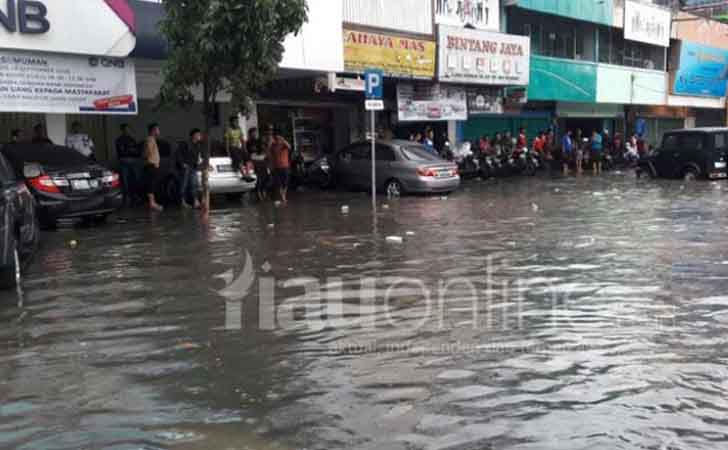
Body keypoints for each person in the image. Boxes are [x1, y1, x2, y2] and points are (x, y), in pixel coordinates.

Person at [175, 129, 203, 209]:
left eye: (199, 135)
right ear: (193, 135)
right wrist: (182, 164)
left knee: (194, 184)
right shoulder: (185, 144)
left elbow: (197, 157)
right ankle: (182, 202)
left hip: (193, 167)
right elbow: (178, 154)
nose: (199, 136)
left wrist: (199, 164)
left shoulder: (197, 145)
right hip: (185, 168)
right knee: (184, 185)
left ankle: (195, 202)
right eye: (198, 135)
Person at [115, 124, 141, 205]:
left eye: (128, 129)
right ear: (122, 130)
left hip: (133, 161)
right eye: (125, 129)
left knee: (135, 179)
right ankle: (126, 197)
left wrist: (129, 150)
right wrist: (130, 150)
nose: (127, 131)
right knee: (125, 180)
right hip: (124, 161)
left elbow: (137, 151)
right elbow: (121, 151)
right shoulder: (119, 140)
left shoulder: (132, 139)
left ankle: (135, 195)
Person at [265, 125, 291, 204]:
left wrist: (282, 140)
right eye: (276, 138)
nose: (277, 139)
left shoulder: (284, 145)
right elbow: (268, 154)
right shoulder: (273, 145)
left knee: (285, 183)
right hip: (276, 167)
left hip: (285, 166)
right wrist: (269, 144)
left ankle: (283, 195)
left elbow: (290, 147)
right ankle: (283, 197)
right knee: (279, 183)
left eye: (278, 137)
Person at [143, 123, 163, 212]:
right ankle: (152, 203)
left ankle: (151, 203)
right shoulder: (150, 139)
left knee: (151, 184)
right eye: (158, 129)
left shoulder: (152, 139)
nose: (159, 131)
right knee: (151, 185)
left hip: (152, 165)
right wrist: (152, 162)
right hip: (151, 166)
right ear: (153, 130)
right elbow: (147, 152)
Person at [248, 127, 270, 202]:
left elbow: (264, 149)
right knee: (259, 178)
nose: (255, 134)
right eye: (253, 132)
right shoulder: (249, 142)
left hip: (262, 159)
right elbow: (251, 151)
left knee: (266, 177)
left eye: (255, 132)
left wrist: (264, 149)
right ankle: (259, 194)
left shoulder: (260, 140)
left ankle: (263, 192)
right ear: (250, 134)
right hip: (255, 160)